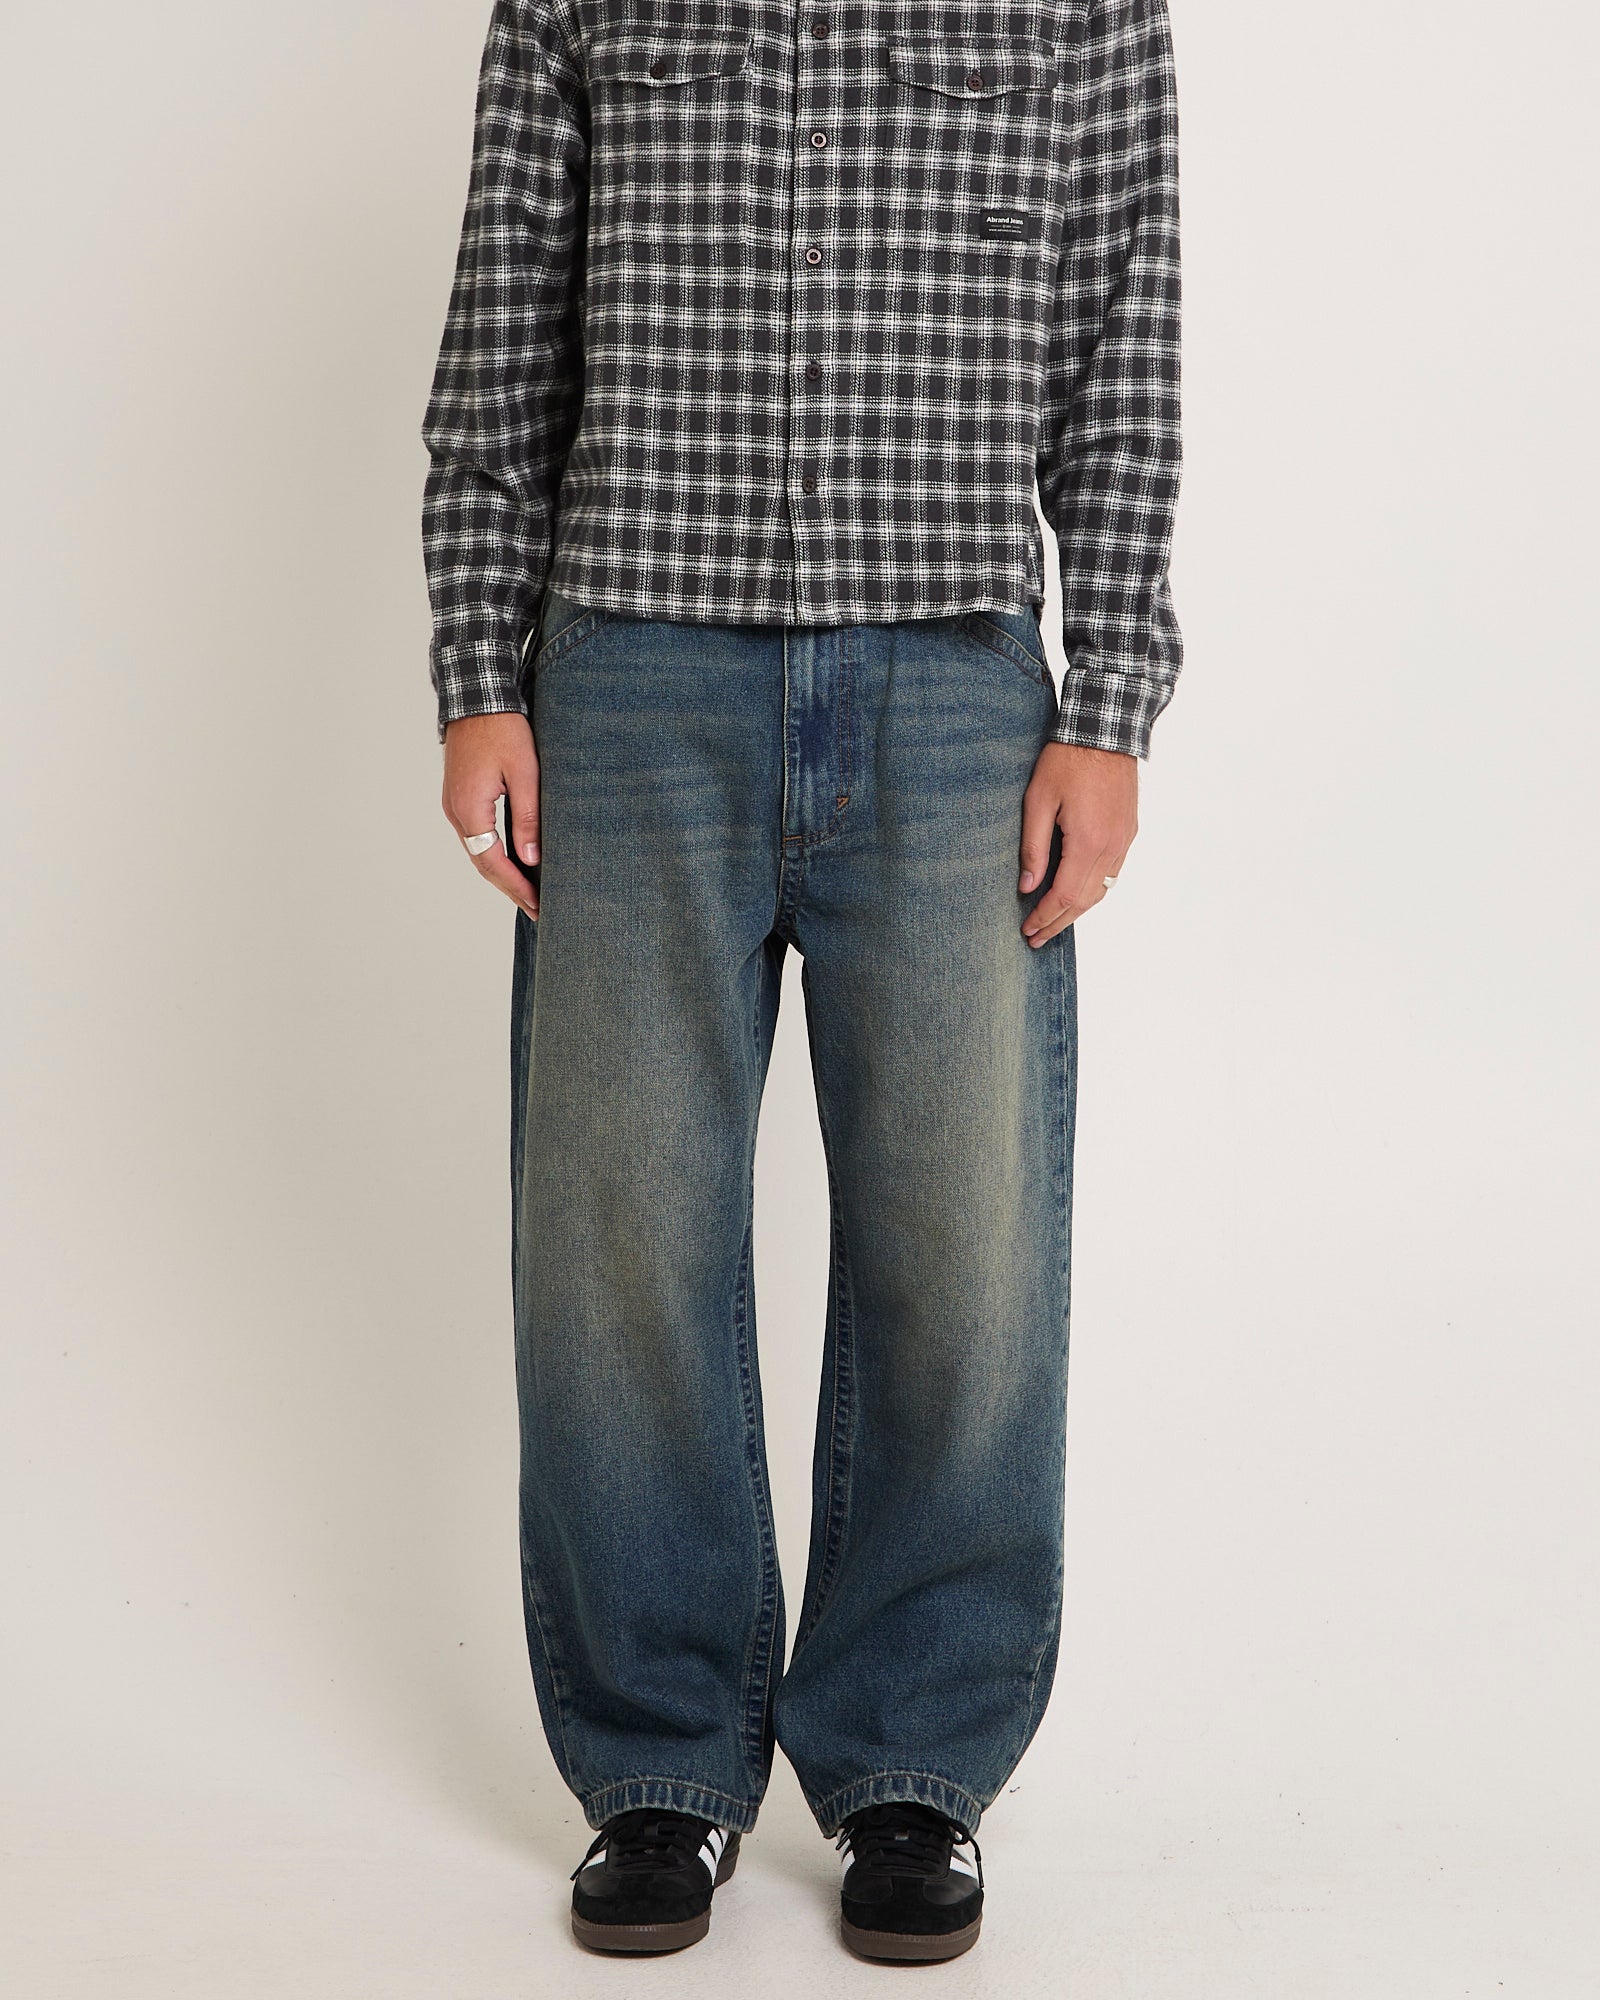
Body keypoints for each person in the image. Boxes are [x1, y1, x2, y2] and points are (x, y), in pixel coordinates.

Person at [420, 0, 1181, 1962]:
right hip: (631, 676)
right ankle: (658, 1767)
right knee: (617, 1237)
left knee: (964, 1242)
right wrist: (478, 673)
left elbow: (1123, 351)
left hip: (953, 687)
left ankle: (915, 1759)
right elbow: (502, 339)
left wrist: (1107, 706)